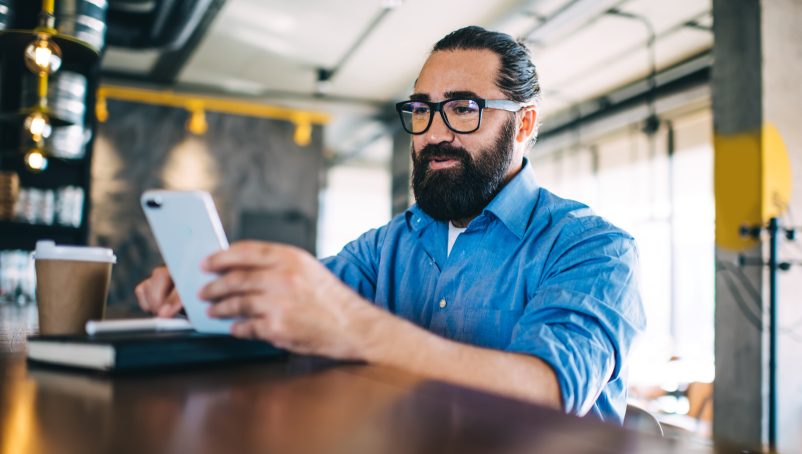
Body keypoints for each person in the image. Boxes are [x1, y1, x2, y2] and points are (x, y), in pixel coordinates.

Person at [135, 26, 645, 424]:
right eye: (421, 110)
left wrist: (356, 328)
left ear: (524, 123)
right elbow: (292, 311)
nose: (434, 132)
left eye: (463, 109)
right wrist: (209, 291)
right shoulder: (387, 247)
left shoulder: (594, 249)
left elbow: (549, 393)